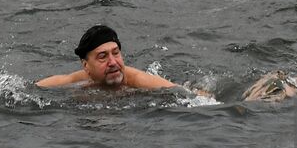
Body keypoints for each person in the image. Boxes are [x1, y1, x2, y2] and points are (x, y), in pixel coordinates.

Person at [35, 25, 191, 92]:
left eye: (116, 53)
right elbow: (29, 90)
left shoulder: (139, 81)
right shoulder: (73, 83)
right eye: (102, 56)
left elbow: (188, 94)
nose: (113, 62)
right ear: (86, 66)